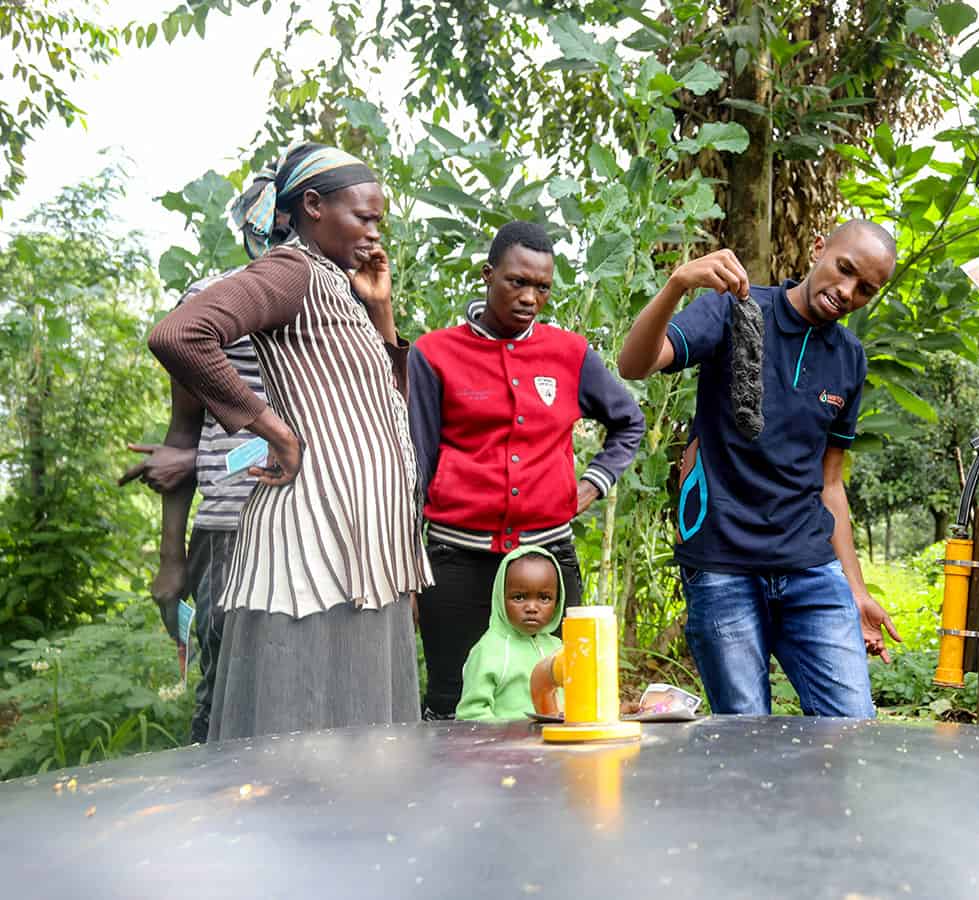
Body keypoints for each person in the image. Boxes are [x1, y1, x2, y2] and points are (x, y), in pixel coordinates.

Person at [148, 142, 429, 741]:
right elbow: (180, 334)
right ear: (310, 207)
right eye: (365, 217)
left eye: (380, 220)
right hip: (312, 539)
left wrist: (381, 313)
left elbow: (381, 411)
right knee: (300, 726)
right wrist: (270, 428)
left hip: (359, 542)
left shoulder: (339, 289)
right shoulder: (291, 270)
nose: (376, 233)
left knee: (350, 727)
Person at [616, 222, 901, 717]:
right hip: (722, 562)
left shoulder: (850, 358)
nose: (847, 292)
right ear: (819, 248)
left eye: (866, 290)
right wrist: (678, 283)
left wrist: (856, 590)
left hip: (809, 566)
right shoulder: (734, 309)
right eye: (844, 269)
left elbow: (830, 483)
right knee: (745, 733)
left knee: (853, 724)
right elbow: (633, 364)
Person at [408, 221, 643, 719]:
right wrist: (409, 561)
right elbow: (418, 461)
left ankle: (555, 797)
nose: (530, 297)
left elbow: (629, 422)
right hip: (457, 558)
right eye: (517, 281)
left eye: (542, 287)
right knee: (456, 699)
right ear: (488, 275)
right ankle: (456, 796)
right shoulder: (434, 354)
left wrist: (592, 484)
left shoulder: (569, 353)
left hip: (547, 559)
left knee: (564, 692)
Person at [118, 198, 291, 745]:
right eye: (272, 225)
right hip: (228, 526)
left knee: (295, 685)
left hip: (311, 520)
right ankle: (215, 808)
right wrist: (171, 561)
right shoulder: (207, 301)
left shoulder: (336, 299)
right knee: (221, 685)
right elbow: (186, 431)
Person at [456, 545, 565, 722]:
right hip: (507, 745)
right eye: (519, 597)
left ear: (557, 602)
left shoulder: (558, 648)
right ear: (500, 597)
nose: (531, 607)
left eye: (544, 598)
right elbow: (471, 714)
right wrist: (511, 732)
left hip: (558, 742)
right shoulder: (488, 650)